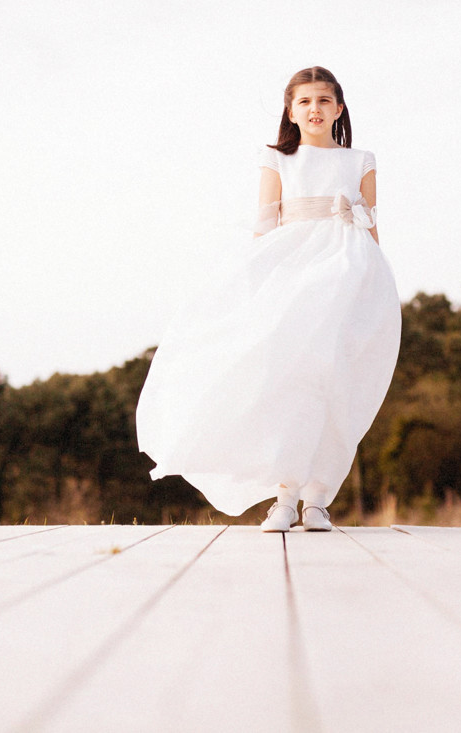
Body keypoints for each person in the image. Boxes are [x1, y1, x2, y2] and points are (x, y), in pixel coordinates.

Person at [136, 66, 400, 532]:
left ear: (339, 108)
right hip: (294, 268)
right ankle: (285, 495)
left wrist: (378, 295)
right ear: (291, 110)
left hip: (346, 272)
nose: (314, 109)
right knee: (289, 377)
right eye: (304, 102)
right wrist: (248, 288)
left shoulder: (361, 160)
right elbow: (264, 225)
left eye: (323, 101)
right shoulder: (277, 159)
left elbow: (371, 228)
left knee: (334, 380)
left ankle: (318, 499)